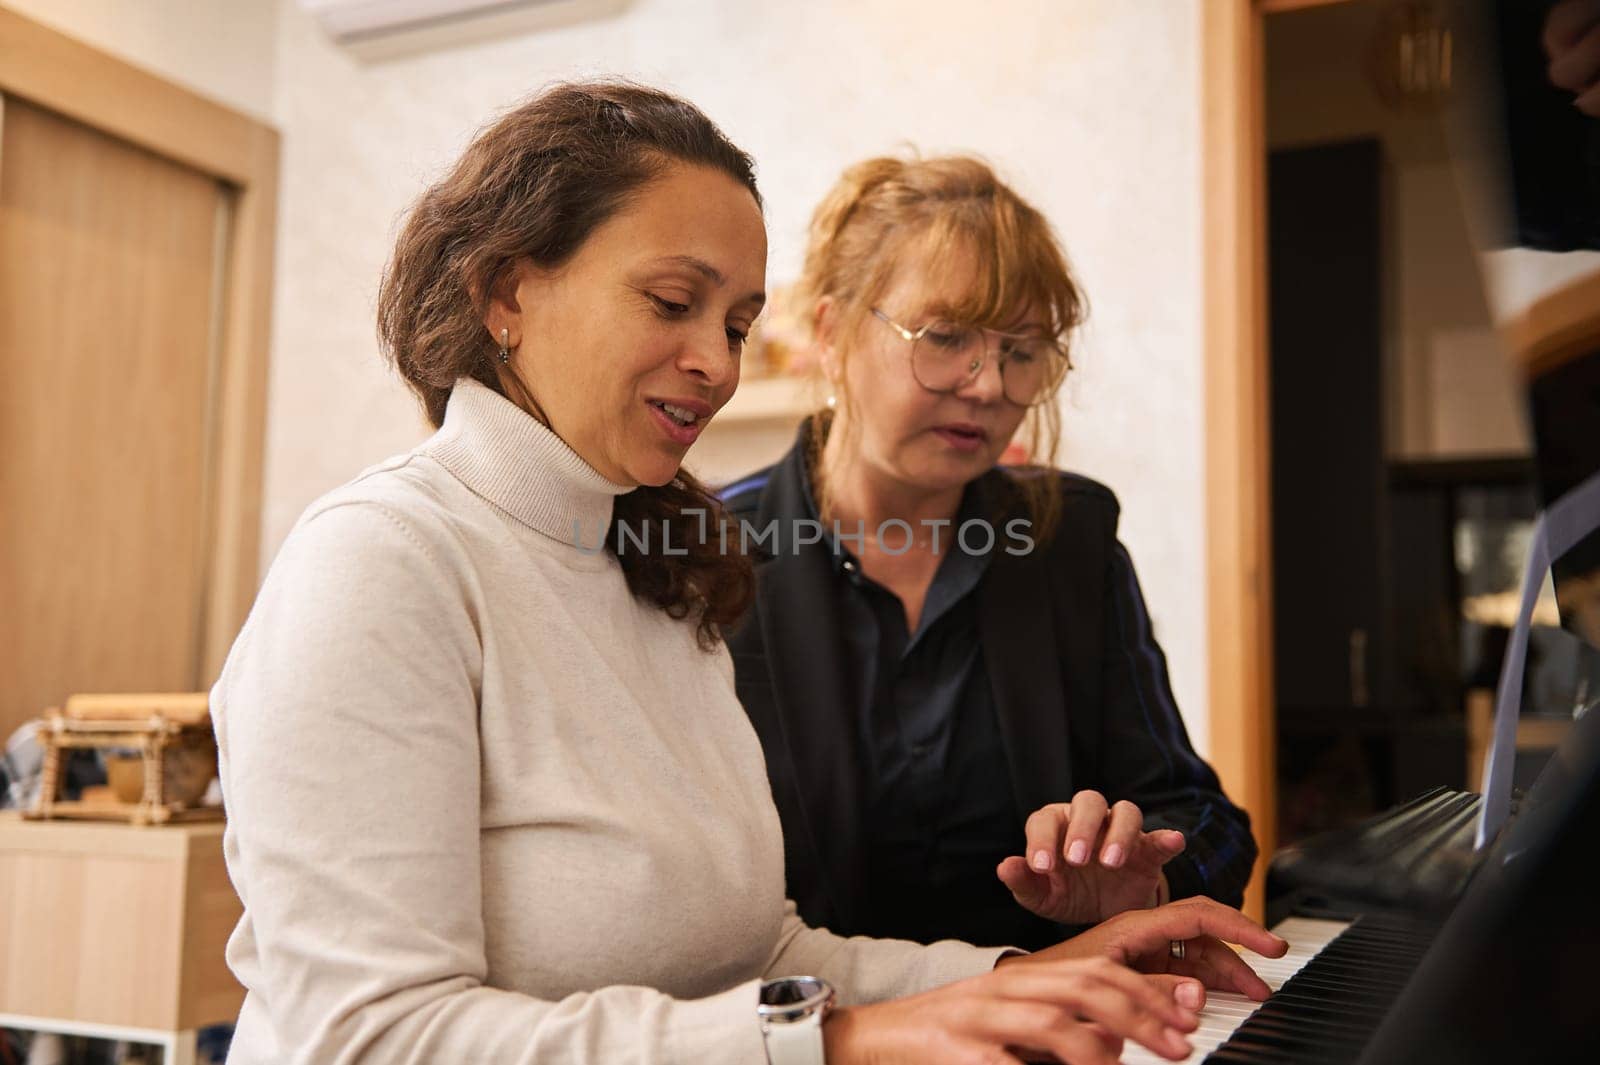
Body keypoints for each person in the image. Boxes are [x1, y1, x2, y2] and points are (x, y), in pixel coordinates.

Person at [212, 81, 1285, 1065]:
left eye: (733, 325)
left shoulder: (664, 567)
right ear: (506, 293)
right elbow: (367, 1040)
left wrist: (1020, 981)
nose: (720, 366)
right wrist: (839, 1041)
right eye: (671, 304)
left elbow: (761, 950)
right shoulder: (378, 563)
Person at [722, 155, 1257, 953]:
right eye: (945, 338)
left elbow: (1209, 821)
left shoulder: (1069, 543)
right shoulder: (710, 556)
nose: (987, 385)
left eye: (1022, 351)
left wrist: (1142, 878)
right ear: (831, 334)